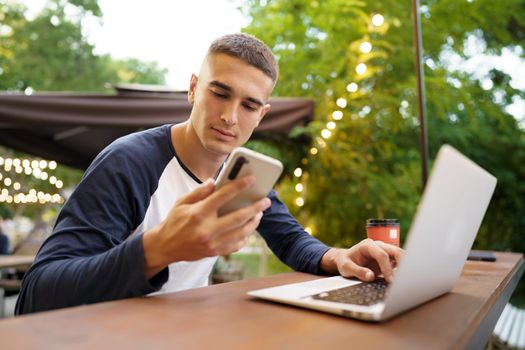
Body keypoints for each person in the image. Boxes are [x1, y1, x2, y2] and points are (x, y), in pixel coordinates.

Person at [15, 33, 403, 314]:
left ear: (261, 115)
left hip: (187, 330)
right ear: (193, 90)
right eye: (219, 93)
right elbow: (37, 294)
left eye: (249, 105)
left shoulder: (243, 171)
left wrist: (340, 257)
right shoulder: (129, 163)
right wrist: (157, 249)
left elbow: (290, 240)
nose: (230, 117)